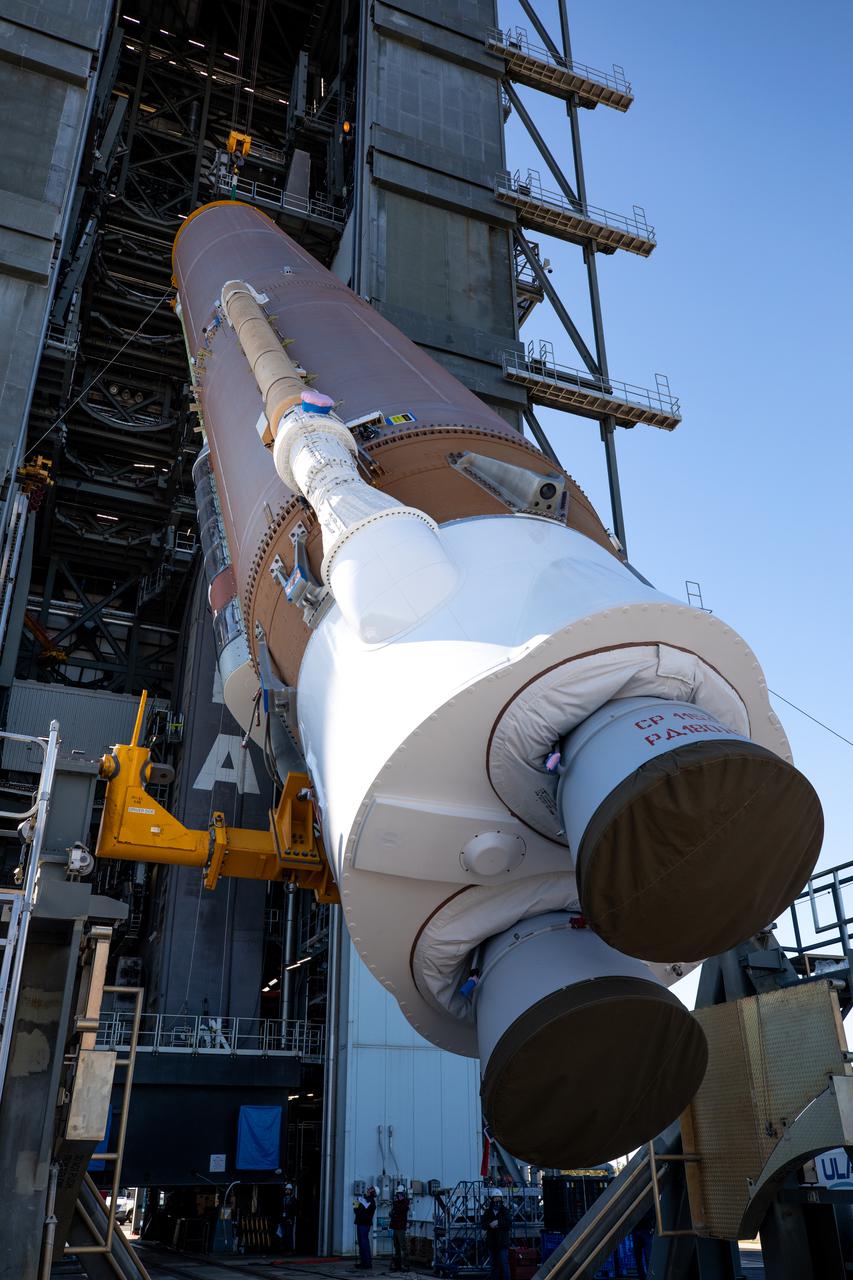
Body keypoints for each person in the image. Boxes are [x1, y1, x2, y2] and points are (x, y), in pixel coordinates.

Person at [481, 1188, 510, 1280]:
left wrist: (498, 1222)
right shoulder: (488, 1212)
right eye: (495, 1198)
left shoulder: (504, 1211)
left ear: (501, 1199)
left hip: (502, 1243)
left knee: (504, 1264)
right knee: (494, 1266)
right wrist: (490, 1224)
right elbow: (483, 1224)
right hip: (492, 1243)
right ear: (492, 1199)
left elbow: (509, 1223)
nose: (497, 1201)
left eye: (499, 1198)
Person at [353, 1185, 377, 1270]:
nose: (368, 1189)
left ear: (373, 1192)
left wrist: (357, 1203)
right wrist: (356, 1203)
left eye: (370, 1189)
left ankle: (367, 1264)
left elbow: (360, 1210)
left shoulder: (370, 1201)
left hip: (364, 1224)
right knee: (361, 1244)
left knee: (364, 1244)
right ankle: (364, 1262)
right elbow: (356, 1210)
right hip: (361, 1223)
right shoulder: (366, 1200)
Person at [389, 1184, 410, 1272]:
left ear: (404, 1194)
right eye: (398, 1194)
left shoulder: (405, 1203)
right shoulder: (396, 1203)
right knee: (396, 1246)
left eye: (400, 1194)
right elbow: (392, 1213)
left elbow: (401, 1209)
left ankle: (405, 1265)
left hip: (400, 1227)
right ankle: (398, 1264)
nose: (399, 1196)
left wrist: (395, 1203)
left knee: (403, 1246)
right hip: (395, 1227)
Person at [279, 1183, 297, 1254]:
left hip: (289, 1219)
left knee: (289, 1234)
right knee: (283, 1234)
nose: (287, 1191)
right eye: (286, 1189)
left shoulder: (293, 1200)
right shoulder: (283, 1199)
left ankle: (290, 1249)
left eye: (288, 1190)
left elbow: (294, 1210)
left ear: (291, 1190)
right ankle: (284, 1249)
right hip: (283, 1219)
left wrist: (291, 1218)